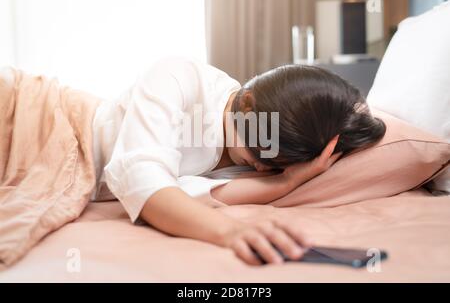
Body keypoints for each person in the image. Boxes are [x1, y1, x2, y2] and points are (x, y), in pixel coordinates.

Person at [91, 57, 386, 265]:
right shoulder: (177, 78)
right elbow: (143, 182)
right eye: (257, 154)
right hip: (62, 132)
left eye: (273, 165)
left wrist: (289, 180)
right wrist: (230, 231)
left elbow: (189, 193)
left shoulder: (262, 137)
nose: (258, 168)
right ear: (246, 103)